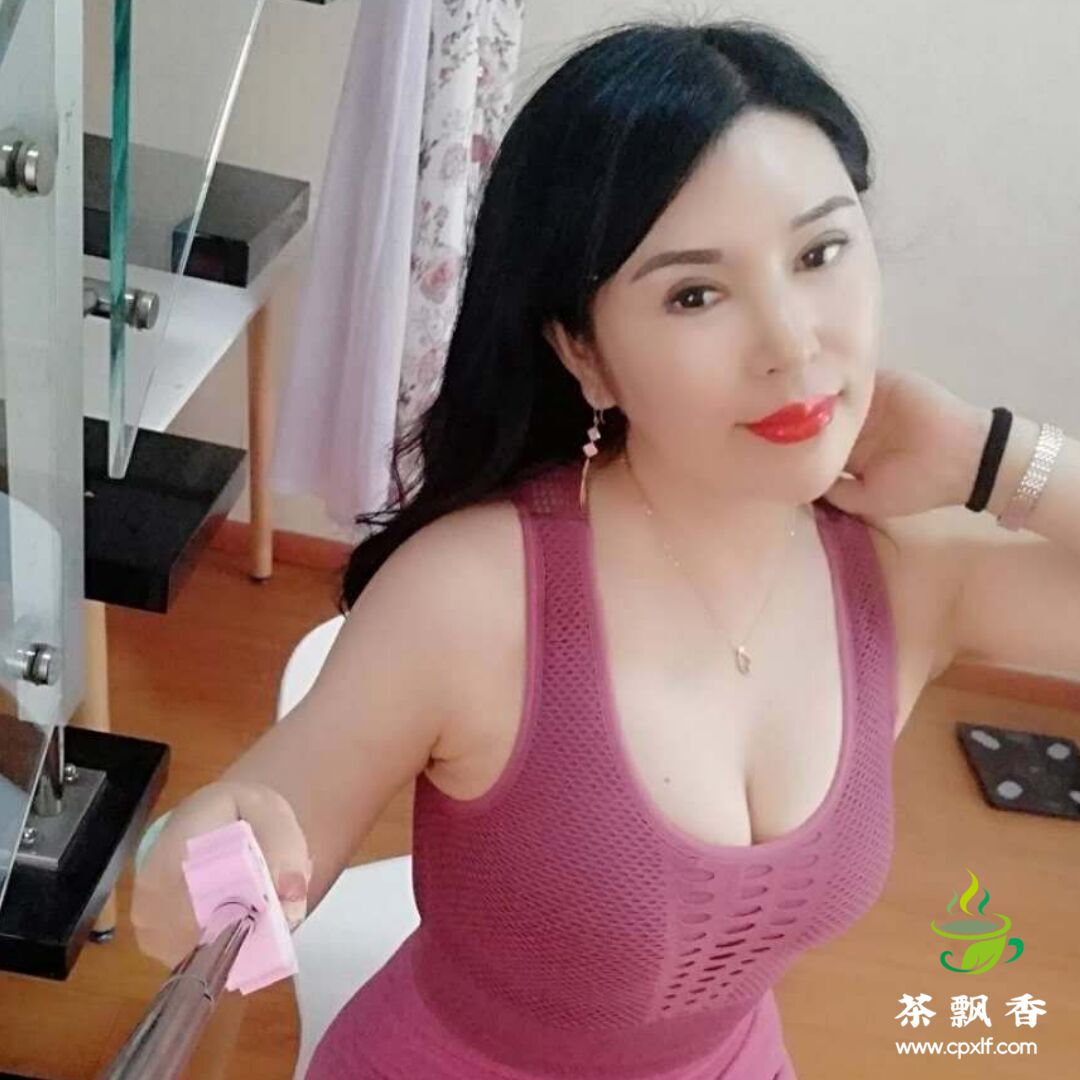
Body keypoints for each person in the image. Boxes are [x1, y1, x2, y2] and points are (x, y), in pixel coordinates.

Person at [131, 17, 1077, 1079]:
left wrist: (995, 454)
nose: (791, 343)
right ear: (585, 353)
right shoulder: (476, 600)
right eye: (695, 293)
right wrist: (191, 864)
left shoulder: (904, 579)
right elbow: (213, 891)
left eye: (819, 254)